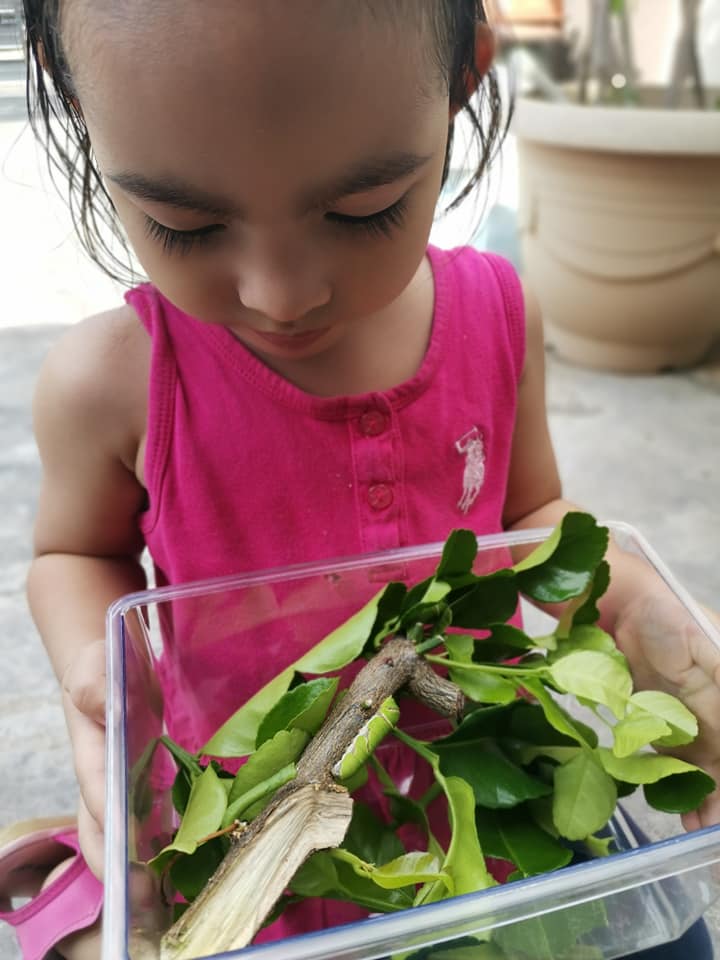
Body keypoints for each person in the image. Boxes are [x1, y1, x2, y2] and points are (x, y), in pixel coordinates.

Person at [1, 1, 718, 958]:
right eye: (187, 223)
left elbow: (533, 512)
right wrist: (99, 670)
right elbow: (73, 551)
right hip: (249, 822)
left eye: (361, 209)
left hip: (479, 793)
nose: (280, 293)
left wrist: (631, 602)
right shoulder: (114, 381)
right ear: (69, 91)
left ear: (468, 72)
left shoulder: (500, 315)